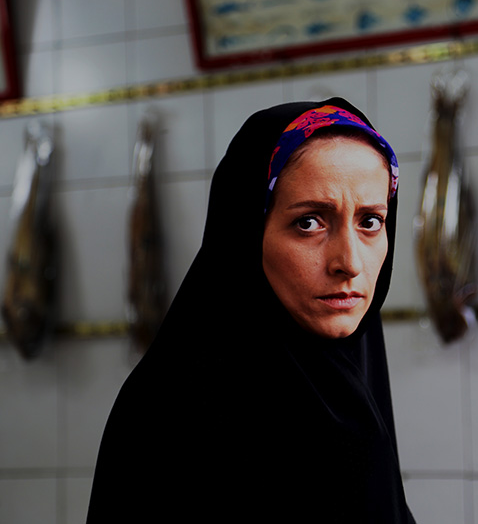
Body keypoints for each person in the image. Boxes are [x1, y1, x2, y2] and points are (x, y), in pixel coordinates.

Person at [86, 98, 416, 523]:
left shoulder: (352, 378)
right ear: (245, 232)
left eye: (370, 221)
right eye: (309, 222)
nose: (349, 262)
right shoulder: (174, 411)